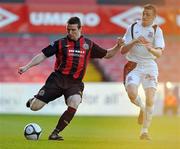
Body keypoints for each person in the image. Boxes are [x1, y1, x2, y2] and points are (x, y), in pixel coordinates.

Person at [18, 16, 124, 141]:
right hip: (57, 80)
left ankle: (55, 133)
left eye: (73, 30)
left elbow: (108, 54)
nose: (70, 33)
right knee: (34, 107)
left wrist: (118, 46)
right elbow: (42, 55)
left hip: (75, 83)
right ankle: (33, 100)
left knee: (74, 102)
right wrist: (27, 67)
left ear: (80, 29)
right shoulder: (60, 43)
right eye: (68, 30)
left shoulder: (88, 44)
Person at [121, 4, 165, 140]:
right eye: (143, 14)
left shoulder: (157, 30)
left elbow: (159, 53)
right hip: (133, 65)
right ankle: (142, 107)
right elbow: (123, 50)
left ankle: (144, 131)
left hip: (149, 66)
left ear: (154, 17)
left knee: (151, 98)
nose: (144, 17)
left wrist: (150, 48)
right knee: (132, 93)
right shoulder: (133, 27)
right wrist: (134, 41)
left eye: (148, 15)